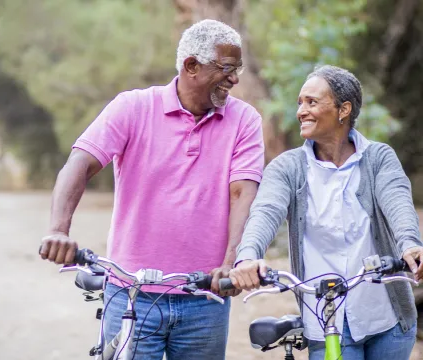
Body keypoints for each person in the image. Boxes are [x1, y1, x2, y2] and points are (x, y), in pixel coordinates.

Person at [39, 19, 265, 360]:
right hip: (131, 294)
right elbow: (79, 165)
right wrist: (59, 230)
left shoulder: (244, 120)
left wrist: (231, 262)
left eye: (238, 69)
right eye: (226, 69)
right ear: (191, 66)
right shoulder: (133, 107)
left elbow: (242, 193)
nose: (234, 79)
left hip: (205, 297)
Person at [229, 65, 423, 360]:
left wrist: (410, 244)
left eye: (312, 102)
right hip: (324, 320)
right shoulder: (288, 167)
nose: (301, 111)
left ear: (343, 109)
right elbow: (265, 212)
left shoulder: (379, 159)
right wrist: (248, 256)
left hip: (388, 319)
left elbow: (398, 203)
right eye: (300, 103)